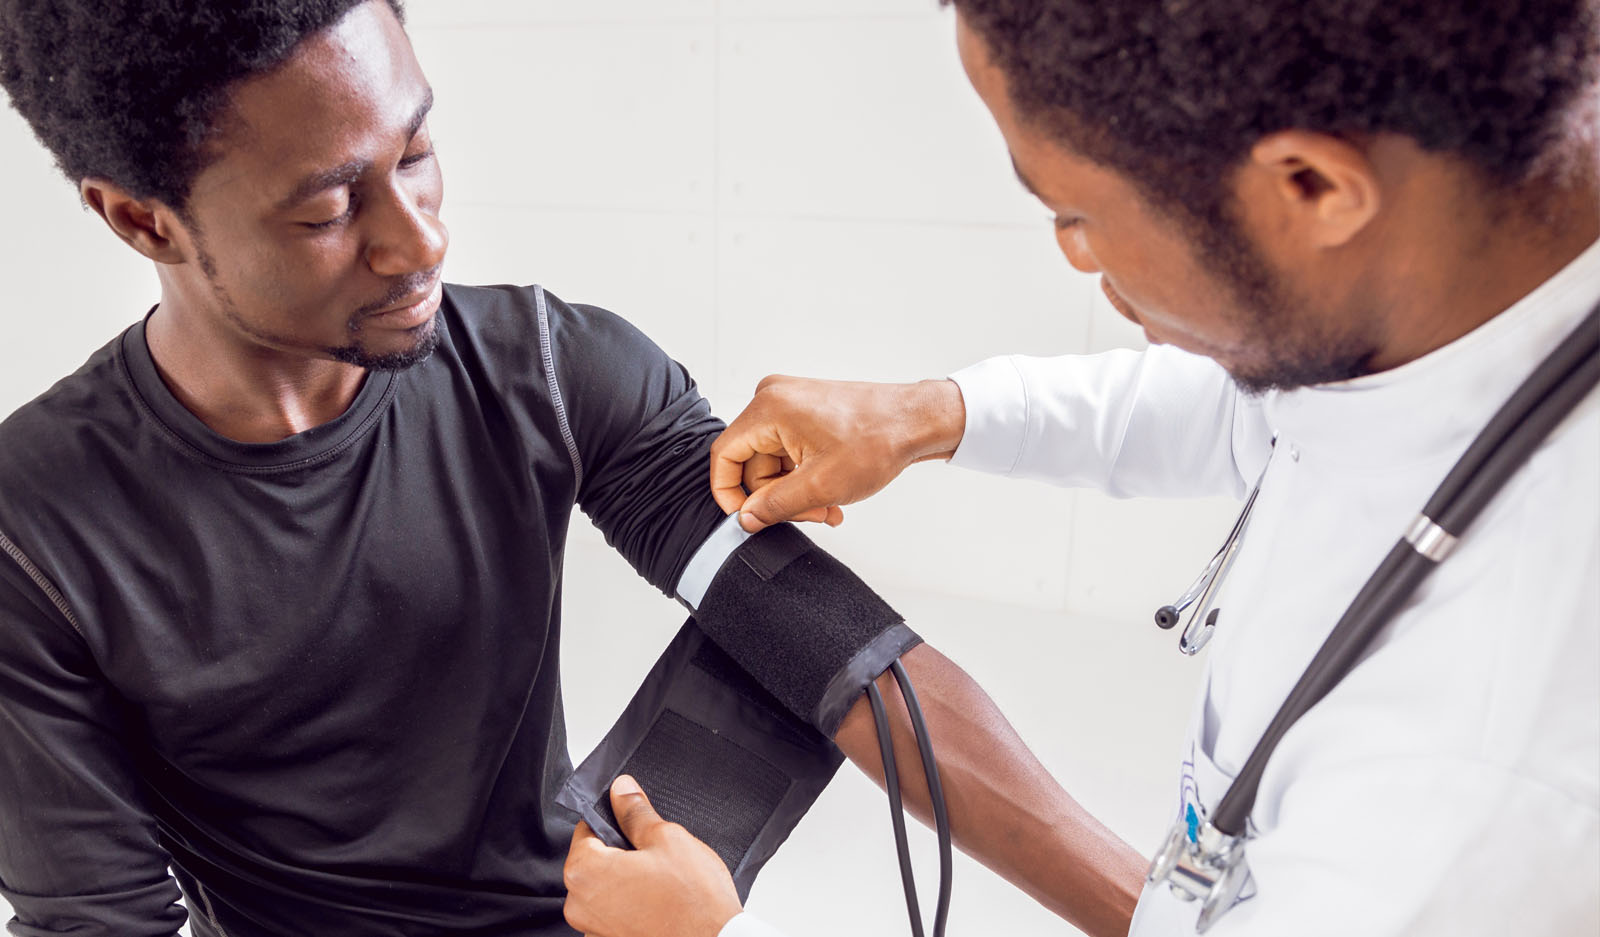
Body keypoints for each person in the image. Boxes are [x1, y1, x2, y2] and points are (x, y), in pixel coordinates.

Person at [0, 2, 1143, 935]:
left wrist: (1157, 919)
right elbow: (100, 926)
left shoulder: (548, 367)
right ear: (141, 222)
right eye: (334, 206)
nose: (420, 239)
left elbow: (838, 650)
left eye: (418, 153)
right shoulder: (34, 532)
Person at [560, 0, 1600, 935]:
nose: (1070, 254)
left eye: (1073, 211)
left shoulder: (1483, 787)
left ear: (1312, 187)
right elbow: (1262, 404)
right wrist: (932, 414)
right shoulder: (1455, 294)